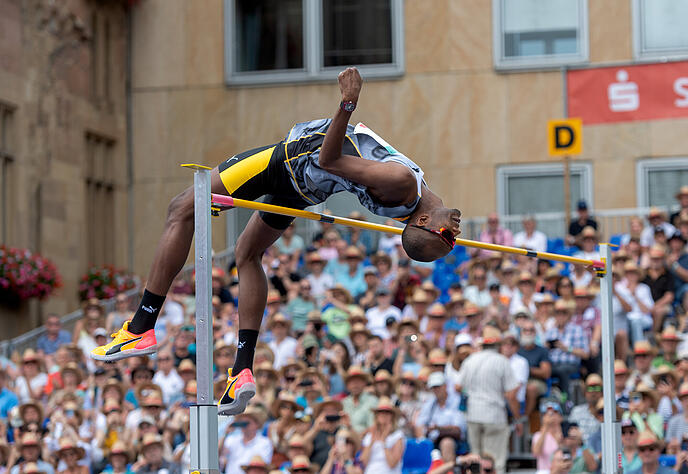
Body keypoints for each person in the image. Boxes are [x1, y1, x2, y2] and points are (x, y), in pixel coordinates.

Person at [91, 67, 462, 416]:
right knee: (247, 254)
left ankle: (141, 325)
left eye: (446, 237)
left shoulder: (402, 184)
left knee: (182, 209)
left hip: (286, 162)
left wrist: (347, 105)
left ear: (425, 221)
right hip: (304, 190)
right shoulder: (412, 201)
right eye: (452, 239)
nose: (456, 232)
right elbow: (412, 231)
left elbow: (328, 158)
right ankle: (241, 371)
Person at [458, 326, 521, 474]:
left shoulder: (470, 360)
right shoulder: (502, 361)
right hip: (494, 414)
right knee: (495, 464)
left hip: (473, 413)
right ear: (497, 344)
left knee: (475, 462)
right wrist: (517, 419)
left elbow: (459, 387)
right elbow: (511, 395)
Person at [415, 372, 466, 461]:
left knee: (446, 443)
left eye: (438, 386)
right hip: (432, 440)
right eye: (434, 387)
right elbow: (420, 424)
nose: (436, 390)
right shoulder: (430, 403)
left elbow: (458, 430)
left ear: (445, 386)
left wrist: (438, 429)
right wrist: (422, 439)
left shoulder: (456, 401)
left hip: (452, 440)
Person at [219, 405, 273, 474]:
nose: (244, 426)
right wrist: (226, 434)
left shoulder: (264, 443)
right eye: (242, 422)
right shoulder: (231, 440)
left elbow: (262, 467)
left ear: (257, 424)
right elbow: (216, 454)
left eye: (247, 423)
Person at [361, 397, 405, 474]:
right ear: (376, 415)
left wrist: (384, 443)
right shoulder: (370, 435)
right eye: (380, 412)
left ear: (392, 415)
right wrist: (371, 442)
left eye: (387, 412)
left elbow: (392, 464)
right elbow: (363, 462)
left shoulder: (398, 435)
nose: (383, 414)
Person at [532, 401, 563, 474]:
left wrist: (558, 431)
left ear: (560, 416)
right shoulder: (538, 435)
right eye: (546, 413)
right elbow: (536, 452)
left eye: (555, 413)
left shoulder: (565, 433)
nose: (551, 416)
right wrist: (545, 427)